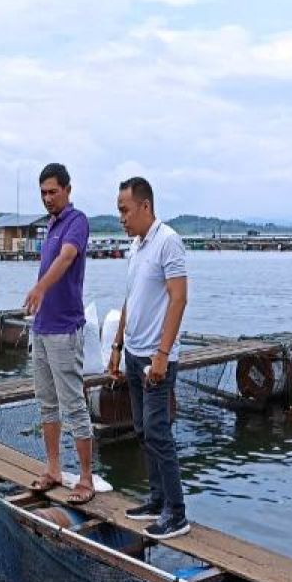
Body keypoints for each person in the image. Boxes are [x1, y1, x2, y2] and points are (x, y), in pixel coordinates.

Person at [107, 176, 190, 539]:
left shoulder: (168, 242)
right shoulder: (136, 247)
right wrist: (115, 345)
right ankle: (157, 500)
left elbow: (178, 298)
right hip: (133, 353)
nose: (122, 218)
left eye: (125, 210)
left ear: (145, 206)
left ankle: (178, 512)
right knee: (142, 429)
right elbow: (130, 299)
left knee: (158, 431)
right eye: (119, 212)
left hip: (157, 357)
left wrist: (163, 353)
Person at [23, 163, 95, 503]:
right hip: (41, 328)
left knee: (74, 405)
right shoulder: (50, 225)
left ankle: (85, 478)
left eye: (53, 191)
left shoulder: (76, 221)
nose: (48, 198)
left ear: (67, 189)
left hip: (65, 330)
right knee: (46, 404)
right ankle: (53, 468)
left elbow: (67, 258)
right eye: (43, 193)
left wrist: (40, 288)